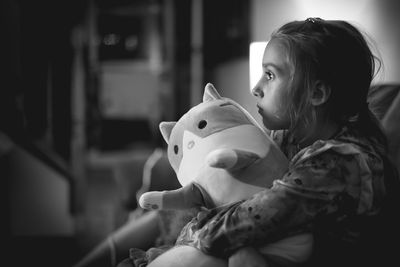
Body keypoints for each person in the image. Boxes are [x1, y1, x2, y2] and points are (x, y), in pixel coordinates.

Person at [120, 18, 400, 267]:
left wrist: (180, 241)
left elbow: (243, 223)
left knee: (235, 253)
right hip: (272, 248)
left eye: (270, 75)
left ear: (317, 93)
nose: (255, 88)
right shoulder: (291, 137)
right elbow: (237, 195)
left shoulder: (340, 163)